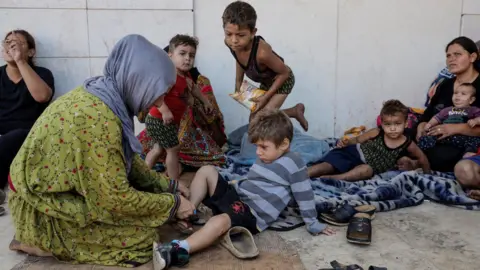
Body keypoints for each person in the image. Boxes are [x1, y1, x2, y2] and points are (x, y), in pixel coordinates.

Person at [8, 34, 195, 267]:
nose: (160, 101)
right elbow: (113, 199)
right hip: (39, 205)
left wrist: (169, 186)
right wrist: (172, 205)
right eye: (158, 90)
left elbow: (125, 161)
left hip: (54, 190)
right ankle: (41, 240)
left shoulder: (105, 93)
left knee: (148, 216)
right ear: (138, 80)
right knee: (142, 239)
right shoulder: (98, 120)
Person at [153, 109, 334, 269]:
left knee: (221, 220)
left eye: (263, 147)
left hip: (253, 214)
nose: (258, 152)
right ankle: (189, 212)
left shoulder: (294, 164)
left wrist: (313, 223)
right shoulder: (266, 156)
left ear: (284, 144)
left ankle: (179, 249)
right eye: (257, 146)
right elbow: (254, 181)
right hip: (239, 198)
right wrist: (235, 186)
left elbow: (304, 195)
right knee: (207, 170)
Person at [222, 1, 309, 131]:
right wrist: (238, 83)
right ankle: (294, 111)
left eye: (240, 35)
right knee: (254, 120)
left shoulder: (262, 52)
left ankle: (293, 112)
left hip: (283, 79)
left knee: (261, 118)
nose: (234, 40)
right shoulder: (232, 44)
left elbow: (284, 73)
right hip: (266, 81)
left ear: (253, 33)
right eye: (229, 34)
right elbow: (238, 58)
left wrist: (266, 97)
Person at [398, 36, 480, 172]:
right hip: (435, 135)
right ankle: (416, 160)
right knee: (395, 136)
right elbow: (428, 114)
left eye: (457, 54)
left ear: (472, 57)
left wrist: (454, 129)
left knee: (443, 155)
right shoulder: (445, 85)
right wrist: (422, 127)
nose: (451, 59)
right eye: (448, 56)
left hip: (463, 141)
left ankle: (419, 162)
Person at [145, 34, 213, 181]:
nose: (188, 58)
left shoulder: (185, 76)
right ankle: (174, 183)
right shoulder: (169, 75)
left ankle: (142, 175)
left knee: (158, 149)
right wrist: (165, 111)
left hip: (166, 122)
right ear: (170, 55)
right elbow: (155, 95)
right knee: (173, 149)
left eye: (191, 55)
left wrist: (206, 102)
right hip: (158, 119)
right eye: (182, 54)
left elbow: (194, 89)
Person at [0, 30, 54, 214]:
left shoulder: (42, 74)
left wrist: (21, 61)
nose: (11, 46)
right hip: (3, 136)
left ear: (31, 52)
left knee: (15, 136)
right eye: (7, 42)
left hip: (30, 136)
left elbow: (42, 97)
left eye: (17, 43)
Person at [308, 100, 430, 181]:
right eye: (388, 124)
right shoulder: (377, 132)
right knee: (325, 166)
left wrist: (428, 175)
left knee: (366, 171)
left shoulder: (408, 143)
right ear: (382, 124)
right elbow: (357, 139)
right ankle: (299, 175)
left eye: (397, 124)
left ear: (406, 123)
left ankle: (333, 179)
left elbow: (422, 158)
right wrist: (346, 142)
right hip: (352, 153)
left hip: (366, 166)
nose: (392, 129)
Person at [418, 83, 480, 155]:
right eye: (455, 93)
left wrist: (476, 121)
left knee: (475, 140)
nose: (458, 95)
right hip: (445, 135)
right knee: (429, 136)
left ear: (471, 100)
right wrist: (429, 124)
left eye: (463, 94)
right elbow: (437, 117)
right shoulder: (447, 110)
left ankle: (469, 153)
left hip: (464, 137)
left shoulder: (473, 110)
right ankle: (420, 153)